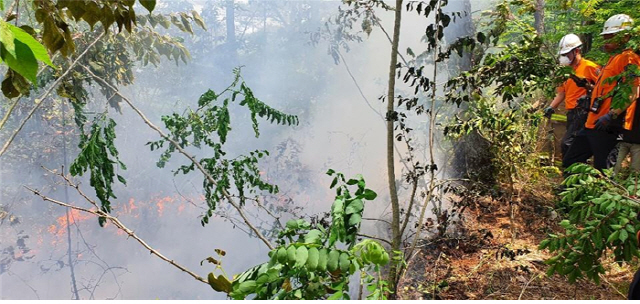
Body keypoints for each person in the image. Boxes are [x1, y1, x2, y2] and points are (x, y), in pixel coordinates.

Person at [562, 14, 640, 171]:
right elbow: (607, 90)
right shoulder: (613, 59)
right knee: (571, 161)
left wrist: (611, 115)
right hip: (591, 123)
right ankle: (573, 193)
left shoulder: (629, 58)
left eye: (610, 37)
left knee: (603, 168)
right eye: (606, 37)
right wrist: (589, 91)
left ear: (625, 37)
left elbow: (633, 91)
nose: (606, 41)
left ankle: (604, 193)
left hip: (606, 127)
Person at [544, 34, 601, 158]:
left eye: (566, 54)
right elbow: (561, 93)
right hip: (571, 113)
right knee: (574, 145)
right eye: (563, 55)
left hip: (584, 112)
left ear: (576, 51)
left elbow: (603, 89)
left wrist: (587, 87)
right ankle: (576, 171)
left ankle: (571, 172)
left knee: (568, 144)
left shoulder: (589, 67)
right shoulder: (564, 71)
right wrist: (551, 107)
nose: (565, 57)